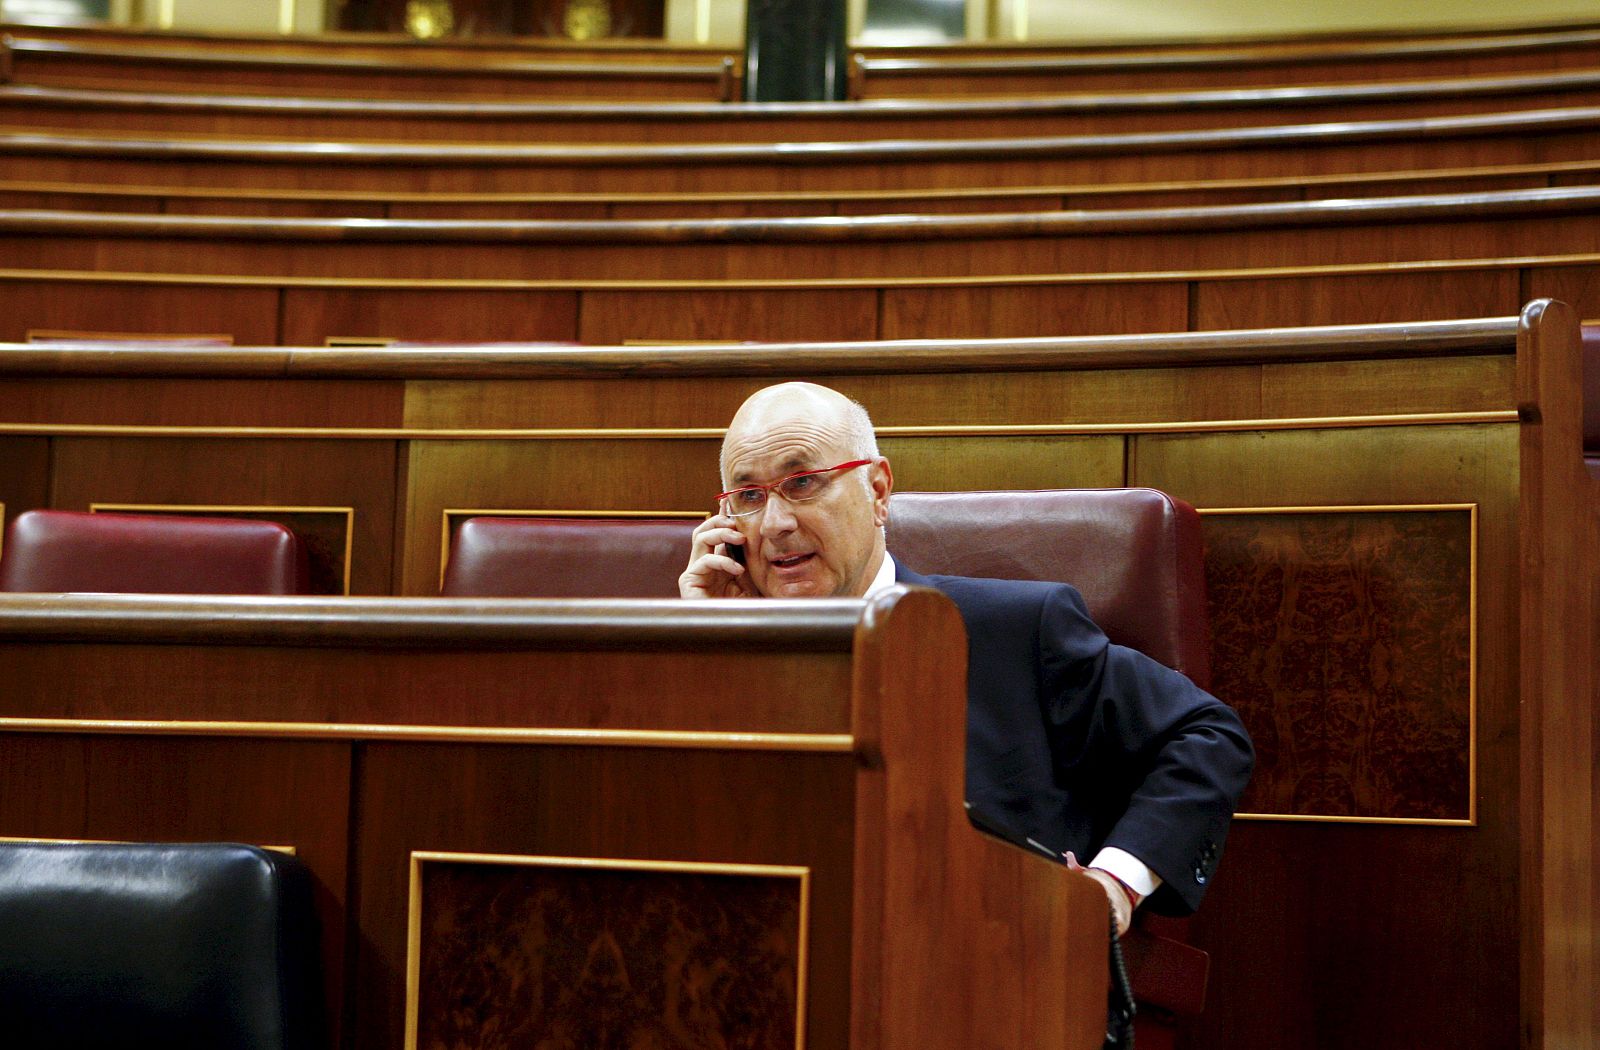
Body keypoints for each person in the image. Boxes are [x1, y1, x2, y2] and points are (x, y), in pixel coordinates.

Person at [680, 382, 1253, 934]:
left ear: (877, 492)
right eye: (749, 497)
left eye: (803, 483)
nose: (776, 523)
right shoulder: (717, 662)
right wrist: (702, 650)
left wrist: (1115, 883)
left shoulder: (1013, 630)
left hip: (992, 958)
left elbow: (1208, 735)